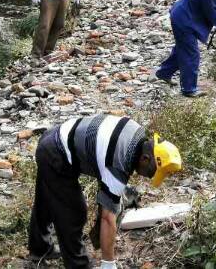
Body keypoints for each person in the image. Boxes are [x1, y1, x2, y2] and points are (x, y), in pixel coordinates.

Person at [26, 113, 182, 269]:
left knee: (46, 199)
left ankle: (39, 248)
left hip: (55, 135)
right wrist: (108, 263)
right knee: (74, 213)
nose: (150, 177)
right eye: (152, 172)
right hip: (55, 152)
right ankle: (78, 265)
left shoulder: (137, 133)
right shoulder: (119, 163)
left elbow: (105, 157)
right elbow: (108, 218)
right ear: (145, 159)